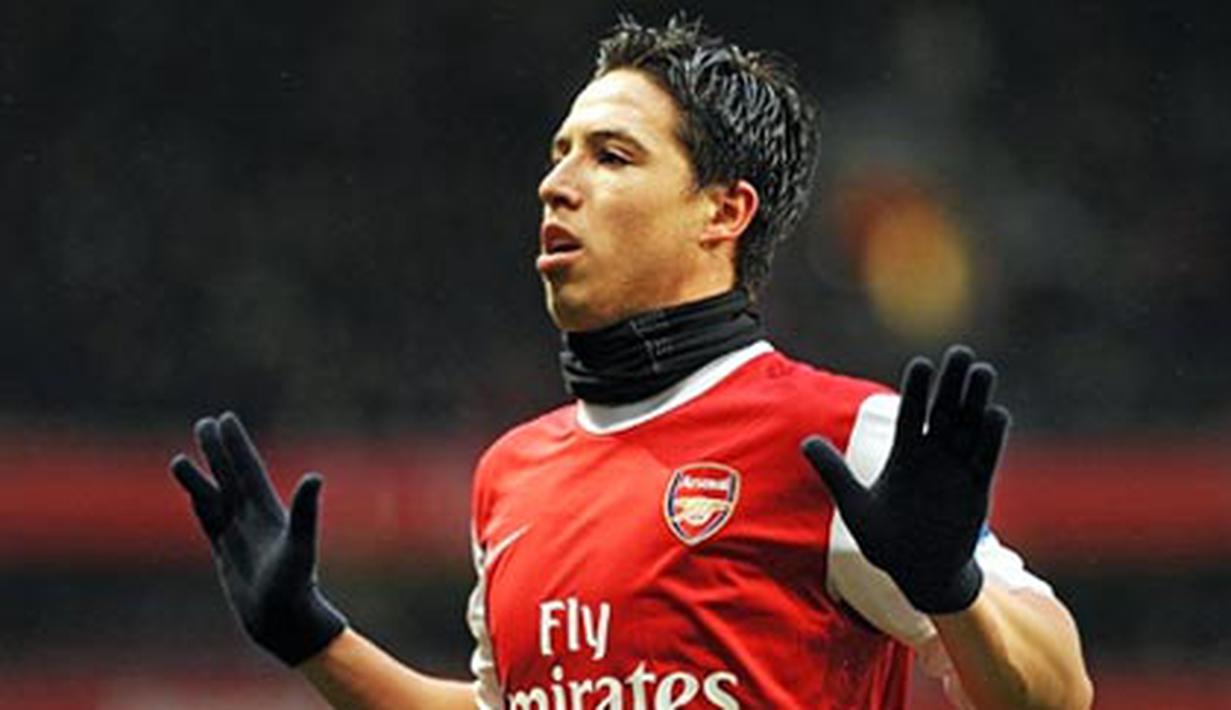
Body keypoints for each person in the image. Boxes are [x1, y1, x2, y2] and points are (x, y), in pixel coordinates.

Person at [170, 15, 1092, 709]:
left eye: (612, 156)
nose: (557, 183)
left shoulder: (838, 434)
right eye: (559, 153)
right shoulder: (511, 474)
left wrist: (951, 589)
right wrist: (312, 639)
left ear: (722, 212)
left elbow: (1061, 693)